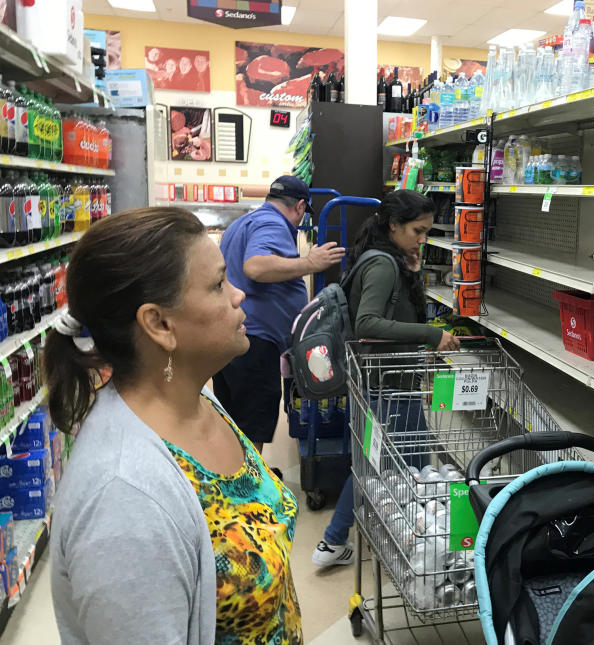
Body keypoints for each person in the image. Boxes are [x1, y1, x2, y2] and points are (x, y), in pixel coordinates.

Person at [48, 208, 302, 644]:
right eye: (219, 284)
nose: (238, 296)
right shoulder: (124, 503)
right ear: (159, 324)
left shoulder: (195, 397)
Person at [312, 189, 460, 569]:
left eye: (427, 231)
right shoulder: (381, 265)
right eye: (417, 230)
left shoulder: (391, 259)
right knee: (378, 464)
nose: (422, 239)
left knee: (406, 461)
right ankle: (335, 540)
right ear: (393, 226)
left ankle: (420, 534)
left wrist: (413, 273)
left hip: (393, 379)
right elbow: (368, 323)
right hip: (385, 383)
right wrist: (431, 336)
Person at [215, 175, 345, 467]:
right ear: (300, 206)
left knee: (233, 419)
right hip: (254, 341)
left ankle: (239, 474)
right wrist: (310, 263)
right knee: (252, 421)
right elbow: (256, 266)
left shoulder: (243, 223)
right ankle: (251, 491)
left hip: (233, 337)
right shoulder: (273, 223)